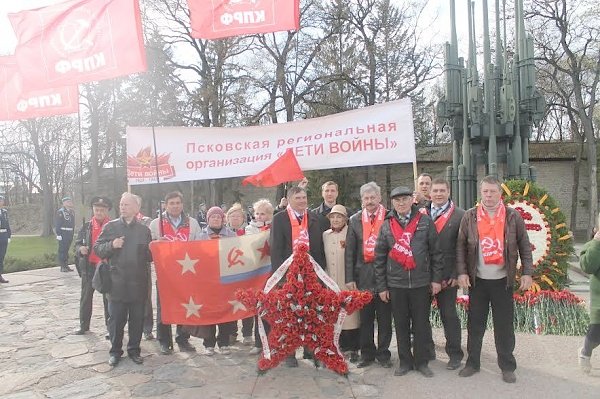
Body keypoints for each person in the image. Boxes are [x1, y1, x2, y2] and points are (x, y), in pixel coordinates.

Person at [456, 175, 533, 383]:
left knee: (504, 326)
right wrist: (462, 272)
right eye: (485, 192)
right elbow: (461, 247)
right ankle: (472, 363)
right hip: (478, 281)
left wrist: (527, 272)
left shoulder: (512, 216)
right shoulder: (470, 216)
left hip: (503, 281)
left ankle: (507, 366)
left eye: (492, 191)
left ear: (500, 193)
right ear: (480, 193)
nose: (488, 195)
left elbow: (524, 245)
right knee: (475, 324)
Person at [374, 186, 443, 378]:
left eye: (404, 199)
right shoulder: (386, 225)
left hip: (421, 283)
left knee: (421, 324)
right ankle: (404, 362)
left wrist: (436, 279)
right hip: (396, 285)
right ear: (392, 203)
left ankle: (421, 362)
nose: (401, 203)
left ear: (411, 200)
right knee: (401, 325)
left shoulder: (425, 221)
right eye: (397, 200)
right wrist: (382, 287)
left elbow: (436, 253)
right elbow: (379, 258)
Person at [94, 192, 152, 367]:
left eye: (126, 204)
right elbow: (97, 249)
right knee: (116, 320)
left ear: (136, 208)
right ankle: (115, 351)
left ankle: (134, 350)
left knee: (136, 320)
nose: (122, 207)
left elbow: (150, 256)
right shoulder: (111, 227)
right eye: (121, 204)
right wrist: (112, 245)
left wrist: (158, 246)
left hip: (138, 283)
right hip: (117, 283)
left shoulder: (144, 230)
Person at [270, 185, 326, 367]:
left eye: (304, 197)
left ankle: (311, 349)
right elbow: (276, 249)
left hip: (312, 273)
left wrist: (321, 273)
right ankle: (290, 352)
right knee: (290, 315)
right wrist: (279, 276)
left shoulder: (317, 219)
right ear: (289, 199)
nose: (302, 201)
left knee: (311, 313)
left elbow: (320, 248)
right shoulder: (279, 219)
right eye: (298, 198)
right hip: (289, 274)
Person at [345, 182, 392, 369]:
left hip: (385, 276)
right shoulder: (355, 219)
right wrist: (349, 277)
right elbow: (350, 251)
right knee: (365, 319)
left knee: (385, 318)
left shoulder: (389, 216)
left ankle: (384, 354)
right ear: (361, 200)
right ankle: (367, 354)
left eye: (373, 197)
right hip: (362, 275)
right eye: (366, 198)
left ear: (379, 198)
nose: (370, 201)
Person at [149, 191, 202, 355]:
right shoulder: (155, 224)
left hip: (186, 273)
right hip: (165, 273)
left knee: (185, 305)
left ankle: (183, 338)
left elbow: (199, 246)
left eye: (178, 203)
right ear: (165, 205)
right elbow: (148, 247)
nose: (175, 206)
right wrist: (157, 243)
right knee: (164, 306)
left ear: (182, 204)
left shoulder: (192, 223)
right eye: (171, 203)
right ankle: (164, 341)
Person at [421, 178, 465, 370]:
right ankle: (428, 349)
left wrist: (457, 272)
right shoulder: (420, 214)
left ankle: (455, 354)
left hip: (448, 276)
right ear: (429, 193)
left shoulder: (460, 215)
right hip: (423, 275)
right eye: (435, 191)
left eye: (442, 190)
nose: (438, 194)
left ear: (448, 192)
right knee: (422, 316)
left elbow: (463, 247)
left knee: (449, 315)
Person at [197, 206, 237, 355]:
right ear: (208, 219)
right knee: (209, 312)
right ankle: (209, 343)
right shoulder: (200, 236)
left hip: (225, 278)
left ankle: (224, 342)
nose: (215, 219)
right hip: (207, 280)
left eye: (218, 217)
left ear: (222, 219)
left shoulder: (231, 235)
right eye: (212, 217)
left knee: (224, 310)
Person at [323, 205, 360, 363]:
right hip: (331, 281)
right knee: (335, 314)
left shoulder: (351, 233)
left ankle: (353, 348)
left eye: (339, 217)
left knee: (351, 315)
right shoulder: (325, 235)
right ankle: (339, 346)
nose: (336, 220)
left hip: (348, 281)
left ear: (345, 219)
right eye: (333, 217)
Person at [74, 196, 112, 336]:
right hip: (89, 266)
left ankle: (110, 327)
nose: (99, 212)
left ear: (107, 211)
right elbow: (77, 244)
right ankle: (84, 325)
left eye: (102, 210)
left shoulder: (112, 226)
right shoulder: (86, 226)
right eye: (96, 210)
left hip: (105, 266)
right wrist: (80, 249)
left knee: (108, 299)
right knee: (85, 297)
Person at [245, 199, 275, 355]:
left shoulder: (275, 227)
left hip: (273, 272)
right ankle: (258, 342)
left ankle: (273, 342)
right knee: (259, 308)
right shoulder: (250, 229)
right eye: (257, 213)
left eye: (263, 213)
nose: (259, 216)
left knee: (273, 308)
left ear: (269, 214)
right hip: (256, 273)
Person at [226, 203, 253, 345]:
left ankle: (247, 333)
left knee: (247, 302)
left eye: (238, 216)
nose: (235, 218)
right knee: (231, 303)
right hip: (229, 273)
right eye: (233, 215)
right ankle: (231, 332)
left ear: (243, 218)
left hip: (246, 272)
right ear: (228, 218)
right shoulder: (224, 234)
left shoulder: (249, 232)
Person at [578, 218, 600, 374]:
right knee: (596, 332)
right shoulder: (592, 246)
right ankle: (585, 352)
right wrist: (597, 244)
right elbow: (588, 266)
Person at [136, 210, 154, 341]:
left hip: (143, 266)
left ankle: (147, 329)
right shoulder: (118, 224)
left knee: (146, 300)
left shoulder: (146, 222)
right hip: (126, 268)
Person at [55, 196, 75, 272]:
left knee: (66, 250)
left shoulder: (71, 212)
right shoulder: (61, 211)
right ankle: (62, 266)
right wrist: (58, 234)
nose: (69, 203)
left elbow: (72, 223)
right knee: (62, 250)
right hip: (63, 232)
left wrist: (72, 233)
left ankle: (66, 265)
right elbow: (58, 223)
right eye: (67, 202)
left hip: (69, 232)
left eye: (70, 201)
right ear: (64, 203)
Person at [0, 195, 11, 284]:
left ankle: (0, 275)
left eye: (2, 201)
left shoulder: (4, 212)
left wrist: (9, 236)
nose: (1, 202)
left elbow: (7, 224)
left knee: (1, 256)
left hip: (3, 235)